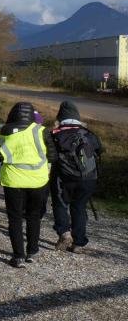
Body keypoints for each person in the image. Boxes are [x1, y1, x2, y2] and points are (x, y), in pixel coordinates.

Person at [0, 101, 57, 268]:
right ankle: (32, 251)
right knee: (34, 216)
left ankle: (18, 256)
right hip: (38, 180)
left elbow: (0, 152)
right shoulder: (42, 131)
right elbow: (52, 157)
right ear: (31, 114)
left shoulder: (5, 130)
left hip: (13, 180)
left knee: (15, 218)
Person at [49, 101, 103, 253]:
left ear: (60, 118)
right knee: (79, 207)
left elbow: (49, 157)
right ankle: (78, 243)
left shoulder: (54, 134)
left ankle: (64, 233)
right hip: (88, 179)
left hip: (63, 178)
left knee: (60, 204)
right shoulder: (90, 134)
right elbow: (99, 151)